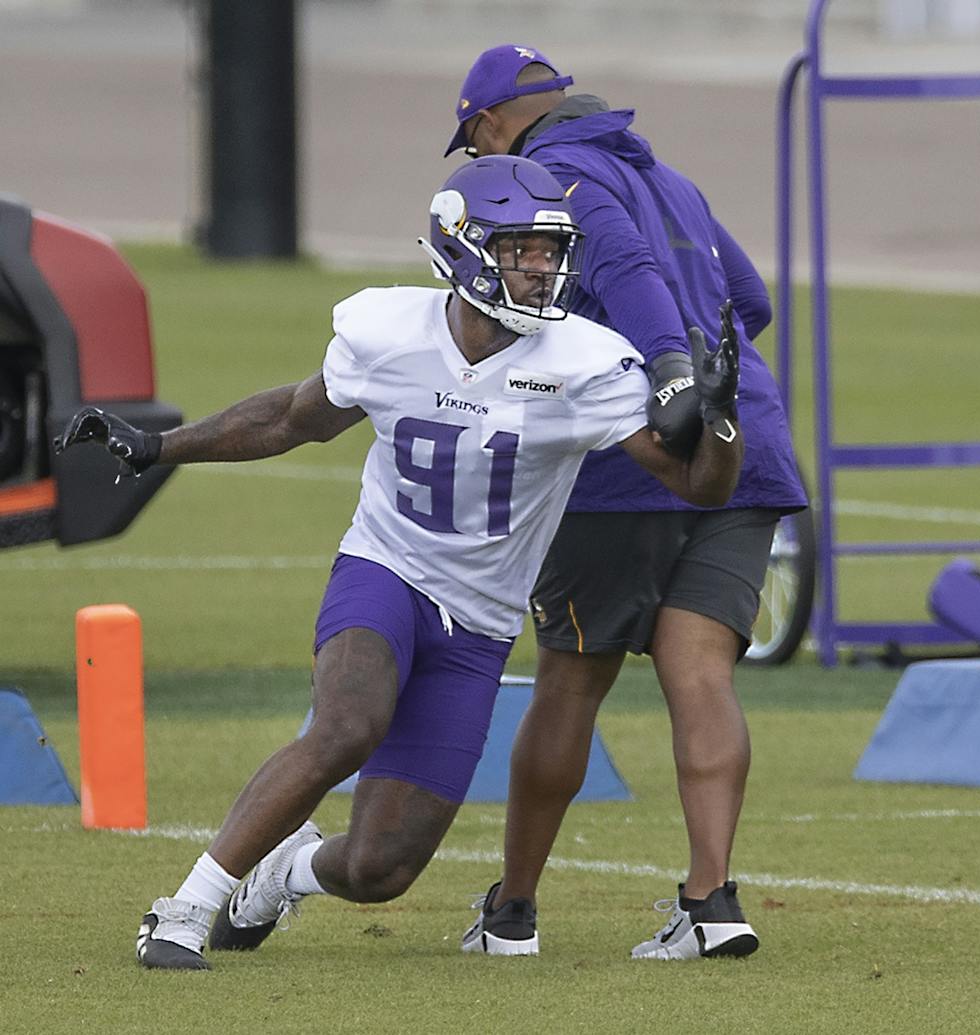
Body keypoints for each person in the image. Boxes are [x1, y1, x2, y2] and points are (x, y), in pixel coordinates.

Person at [54, 154, 744, 971]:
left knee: (380, 868)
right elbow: (291, 418)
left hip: (480, 623)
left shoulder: (585, 362)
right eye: (523, 249)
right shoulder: (388, 331)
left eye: (552, 251)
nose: (543, 269)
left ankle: (285, 872)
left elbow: (696, 486)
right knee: (347, 723)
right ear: (463, 247)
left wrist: (722, 424)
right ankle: (183, 909)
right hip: (385, 568)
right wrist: (161, 446)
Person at [443, 45, 806, 961]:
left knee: (572, 674)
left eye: (473, 143)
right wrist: (703, 381)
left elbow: (627, 266)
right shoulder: (671, 177)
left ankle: (512, 914)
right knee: (702, 675)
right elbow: (749, 301)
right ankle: (712, 902)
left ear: (490, 125)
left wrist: (670, 373)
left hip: (632, 455)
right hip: (742, 449)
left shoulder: (551, 175)